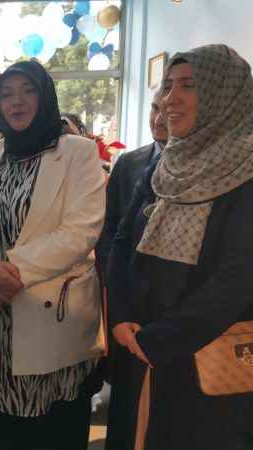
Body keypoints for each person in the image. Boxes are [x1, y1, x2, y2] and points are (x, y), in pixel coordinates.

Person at [0, 60, 106, 450]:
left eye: (27, 91)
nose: (16, 102)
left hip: (50, 315)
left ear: (45, 95)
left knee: (54, 433)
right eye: (6, 94)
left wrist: (6, 272)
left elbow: (81, 230)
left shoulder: (78, 152)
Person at [106, 44, 253, 450]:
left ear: (224, 94)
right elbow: (122, 241)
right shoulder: (166, 162)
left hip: (206, 358)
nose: (171, 98)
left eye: (188, 85)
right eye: (168, 85)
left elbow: (237, 279)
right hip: (139, 342)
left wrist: (159, 339)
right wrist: (121, 315)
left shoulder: (246, 170)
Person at [96, 89, 168, 275]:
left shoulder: (202, 167)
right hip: (125, 276)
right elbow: (107, 223)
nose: (158, 119)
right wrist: (111, 272)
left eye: (167, 111)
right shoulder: (127, 163)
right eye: (155, 108)